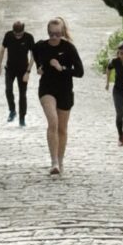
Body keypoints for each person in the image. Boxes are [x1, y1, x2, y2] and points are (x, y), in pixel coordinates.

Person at [29, 17, 85, 174]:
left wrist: (62, 68)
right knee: (52, 122)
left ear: (62, 33)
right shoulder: (41, 46)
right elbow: (33, 51)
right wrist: (39, 66)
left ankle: (60, 160)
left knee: (62, 128)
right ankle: (53, 161)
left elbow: (80, 72)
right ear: (48, 32)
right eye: (51, 34)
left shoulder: (69, 48)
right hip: (47, 88)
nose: (54, 37)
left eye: (57, 34)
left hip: (65, 89)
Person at [0, 20, 35, 125]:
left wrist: (28, 71)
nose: (18, 36)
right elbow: (2, 50)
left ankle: (22, 118)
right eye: (16, 34)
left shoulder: (29, 37)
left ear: (23, 31)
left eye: (20, 34)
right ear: (13, 31)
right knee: (8, 90)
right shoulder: (8, 35)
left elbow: (34, 55)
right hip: (10, 68)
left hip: (23, 70)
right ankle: (12, 110)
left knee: (22, 94)